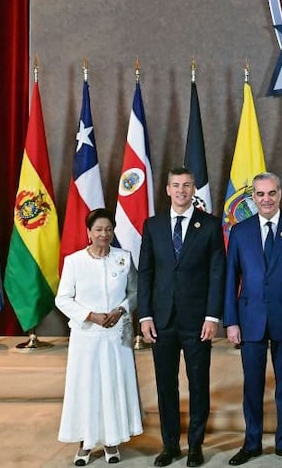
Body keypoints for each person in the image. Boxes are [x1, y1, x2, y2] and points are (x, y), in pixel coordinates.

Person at [138, 168, 226, 468]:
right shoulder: (153, 225)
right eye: (176, 185)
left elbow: (217, 273)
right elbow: (146, 273)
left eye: (186, 185)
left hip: (198, 321)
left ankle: (195, 445)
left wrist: (212, 316)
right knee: (166, 385)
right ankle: (170, 444)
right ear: (167, 189)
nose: (181, 190)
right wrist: (145, 316)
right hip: (161, 320)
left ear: (193, 190)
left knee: (198, 383)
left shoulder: (210, 225)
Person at [225, 173, 282, 466]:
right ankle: (251, 443)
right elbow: (230, 279)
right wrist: (231, 321)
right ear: (253, 197)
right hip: (249, 320)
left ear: (280, 193)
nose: (266, 199)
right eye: (260, 194)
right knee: (252, 385)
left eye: (271, 193)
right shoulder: (240, 231)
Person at [57, 208, 143, 466]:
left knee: (113, 386)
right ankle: (85, 443)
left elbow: (136, 292)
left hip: (117, 337)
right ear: (89, 232)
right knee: (87, 388)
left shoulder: (123, 258)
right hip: (87, 337)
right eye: (98, 230)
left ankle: (111, 440)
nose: (103, 234)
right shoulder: (74, 261)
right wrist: (90, 315)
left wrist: (122, 310)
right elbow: (62, 299)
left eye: (108, 229)